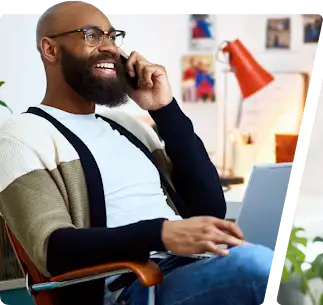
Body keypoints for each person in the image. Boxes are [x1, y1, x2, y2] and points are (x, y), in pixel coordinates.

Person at [0, 2, 273, 305]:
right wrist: (161, 234)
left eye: (112, 37)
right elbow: (52, 249)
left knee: (283, 266)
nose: (110, 49)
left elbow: (208, 208)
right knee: (261, 268)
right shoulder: (20, 136)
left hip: (194, 267)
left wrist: (164, 109)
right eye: (91, 36)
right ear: (50, 50)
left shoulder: (129, 126)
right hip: (133, 286)